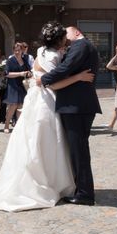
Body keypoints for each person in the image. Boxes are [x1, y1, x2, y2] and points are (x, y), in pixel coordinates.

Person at [0, 22, 95, 211]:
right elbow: (52, 84)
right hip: (46, 101)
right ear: (59, 39)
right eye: (64, 38)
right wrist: (78, 78)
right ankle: (48, 180)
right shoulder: (52, 55)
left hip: (42, 100)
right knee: (45, 140)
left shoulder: (43, 52)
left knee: (41, 140)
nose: (67, 41)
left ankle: (53, 180)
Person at [41, 25, 102, 206]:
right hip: (76, 106)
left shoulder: (81, 46)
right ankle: (81, 188)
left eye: (66, 34)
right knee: (77, 151)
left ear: (76, 32)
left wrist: (43, 79)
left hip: (77, 106)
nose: (64, 39)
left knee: (79, 151)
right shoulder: (78, 46)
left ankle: (85, 194)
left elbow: (66, 67)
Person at [3, 42, 31, 134]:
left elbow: (28, 70)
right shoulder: (10, 61)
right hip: (13, 85)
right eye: (16, 51)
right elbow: (6, 74)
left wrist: (28, 73)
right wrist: (20, 74)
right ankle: (7, 125)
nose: (17, 52)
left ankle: (18, 126)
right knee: (13, 105)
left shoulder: (25, 59)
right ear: (13, 51)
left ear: (22, 50)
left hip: (22, 85)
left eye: (19, 50)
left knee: (20, 106)